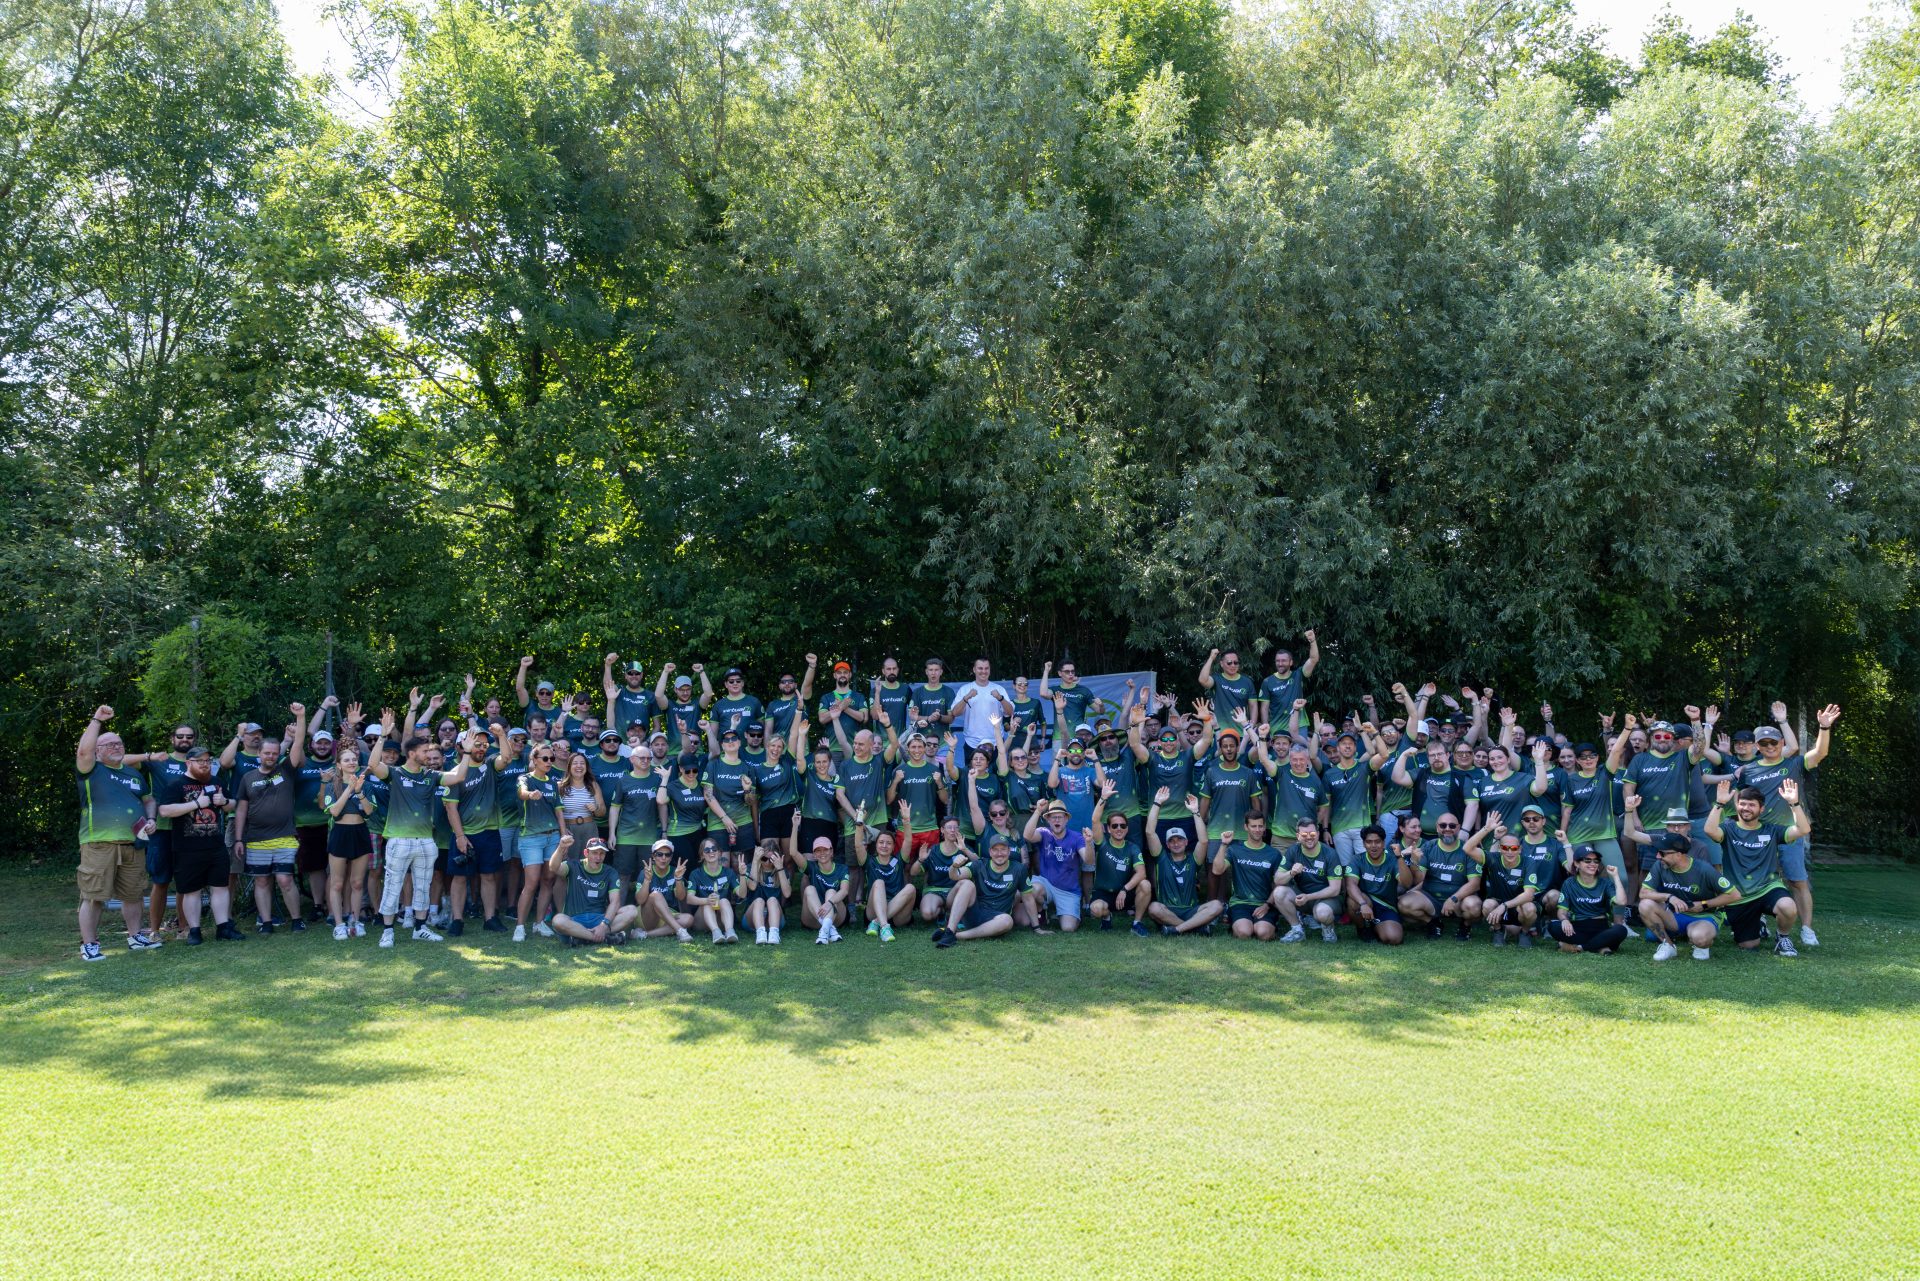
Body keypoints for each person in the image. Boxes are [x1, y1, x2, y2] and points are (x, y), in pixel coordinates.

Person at [1731, 703, 1837, 948]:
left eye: (1774, 743)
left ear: (1781, 744)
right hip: (1758, 836)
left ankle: (1807, 929)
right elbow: (1741, 801)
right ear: (1757, 746)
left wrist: (1824, 727)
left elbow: (1819, 753)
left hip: (1789, 833)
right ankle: (1760, 923)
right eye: (1764, 744)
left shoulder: (1794, 763)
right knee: (1755, 881)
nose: (1769, 747)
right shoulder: (1748, 770)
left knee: (1797, 881)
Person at [365, 708, 472, 947]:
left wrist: (465, 753)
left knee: (423, 885)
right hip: (399, 839)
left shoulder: (430, 776)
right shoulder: (395, 773)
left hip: (426, 840)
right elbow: (373, 765)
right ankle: (388, 931)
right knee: (393, 885)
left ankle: (420, 928)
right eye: (424, 751)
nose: (428, 754)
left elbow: (457, 777)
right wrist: (382, 736)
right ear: (412, 753)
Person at [74, 706, 160, 960]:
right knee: (93, 896)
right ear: (98, 752)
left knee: (133, 894)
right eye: (108, 745)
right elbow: (83, 750)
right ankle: (89, 944)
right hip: (99, 843)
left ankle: (135, 937)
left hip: (134, 843)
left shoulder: (133, 773)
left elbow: (148, 800)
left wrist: (151, 818)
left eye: (119, 743)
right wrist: (97, 720)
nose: (115, 747)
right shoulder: (91, 770)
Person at [1705, 778, 1808, 958]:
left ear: (1761, 809)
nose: (1746, 808)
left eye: (1751, 805)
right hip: (1739, 897)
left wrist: (1794, 804)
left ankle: (1782, 937)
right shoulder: (1728, 829)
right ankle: (1758, 924)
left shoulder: (1771, 830)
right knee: (1749, 946)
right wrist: (1720, 803)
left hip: (1768, 887)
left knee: (1788, 906)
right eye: (1742, 804)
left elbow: (1802, 829)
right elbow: (1709, 830)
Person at [234, 704, 310, 935]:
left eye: (275, 753)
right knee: (262, 881)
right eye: (267, 753)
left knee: (285, 879)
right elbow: (241, 811)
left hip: (285, 837)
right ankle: (266, 923)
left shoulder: (286, 770)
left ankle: (296, 920)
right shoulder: (248, 778)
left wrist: (300, 717)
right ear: (259, 754)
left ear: (279, 754)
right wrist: (239, 839)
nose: (270, 756)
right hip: (256, 838)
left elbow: (297, 744)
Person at [154, 746, 242, 945]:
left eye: (208, 761)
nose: (205, 765)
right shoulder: (176, 785)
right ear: (188, 763)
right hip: (187, 848)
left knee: (220, 887)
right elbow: (165, 811)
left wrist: (225, 801)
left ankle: (223, 928)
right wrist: (196, 804)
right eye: (200, 761)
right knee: (191, 890)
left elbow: (232, 805)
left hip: (215, 846)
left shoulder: (217, 782)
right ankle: (194, 931)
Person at [441, 724, 510, 935]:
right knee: (460, 877)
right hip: (465, 834)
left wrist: (501, 735)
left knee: (489, 875)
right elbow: (450, 808)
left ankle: (490, 918)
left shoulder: (489, 764)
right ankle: (457, 920)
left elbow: (505, 758)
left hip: (489, 831)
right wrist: (460, 836)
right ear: (463, 745)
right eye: (476, 744)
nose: (481, 748)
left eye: (484, 744)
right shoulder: (455, 773)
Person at [1637, 832, 1737, 961]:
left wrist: (1703, 904)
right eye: (1657, 852)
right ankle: (1668, 945)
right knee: (1645, 904)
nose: (1657, 856)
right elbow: (1643, 893)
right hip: (1674, 915)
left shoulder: (1704, 869)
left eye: (1662, 853)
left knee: (1700, 938)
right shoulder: (1660, 866)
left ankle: (1700, 944)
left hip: (1703, 917)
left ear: (1678, 854)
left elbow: (1734, 895)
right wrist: (1669, 897)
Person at [1143, 790, 1224, 936]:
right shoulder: (1162, 858)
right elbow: (1150, 832)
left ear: (1186, 842)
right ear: (1167, 845)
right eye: (1172, 841)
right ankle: (1194, 928)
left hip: (1191, 910)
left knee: (1217, 905)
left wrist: (1195, 812)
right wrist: (1157, 803)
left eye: (1179, 839)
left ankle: (1177, 929)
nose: (1176, 843)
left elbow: (1204, 841)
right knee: (1154, 908)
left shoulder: (1193, 860)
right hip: (1167, 910)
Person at [932, 832, 1033, 947]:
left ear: (1009, 851)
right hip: (975, 913)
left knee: (1008, 921)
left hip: (996, 919)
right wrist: (954, 866)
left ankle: (954, 936)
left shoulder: (1019, 869)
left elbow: (1028, 898)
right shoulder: (980, 865)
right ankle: (950, 930)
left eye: (1003, 849)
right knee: (966, 884)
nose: (999, 853)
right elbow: (955, 876)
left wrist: (1037, 927)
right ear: (990, 852)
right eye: (995, 850)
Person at [321, 740, 378, 939]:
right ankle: (339, 924)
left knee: (356, 883)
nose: (352, 762)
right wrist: (349, 788)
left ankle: (356, 921)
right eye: (346, 760)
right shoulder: (331, 785)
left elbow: (370, 812)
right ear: (339, 764)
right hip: (340, 834)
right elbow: (334, 811)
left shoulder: (367, 785)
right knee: (336, 883)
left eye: (354, 759)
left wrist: (360, 791)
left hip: (360, 833)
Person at [1398, 812, 1482, 940]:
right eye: (1443, 825)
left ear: (1458, 828)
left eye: (1452, 826)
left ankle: (1465, 926)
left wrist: (1453, 898)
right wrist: (1414, 862)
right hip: (1431, 898)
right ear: (1437, 828)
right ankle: (1433, 923)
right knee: (1404, 904)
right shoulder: (1429, 846)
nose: (1447, 829)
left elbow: (1475, 884)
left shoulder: (1468, 850)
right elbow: (1419, 879)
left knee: (1474, 906)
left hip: (1459, 899)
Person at [512, 736, 563, 941]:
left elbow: (559, 810)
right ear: (534, 759)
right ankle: (519, 926)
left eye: (551, 758)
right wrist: (529, 794)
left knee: (548, 880)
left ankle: (539, 923)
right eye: (545, 758)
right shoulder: (525, 778)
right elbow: (522, 793)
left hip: (553, 837)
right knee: (531, 883)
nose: (549, 761)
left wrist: (564, 833)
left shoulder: (552, 781)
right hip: (531, 837)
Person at [549, 834, 639, 946]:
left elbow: (615, 902)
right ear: (586, 853)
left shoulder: (610, 872)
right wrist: (561, 847)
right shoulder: (573, 866)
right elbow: (553, 867)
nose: (598, 857)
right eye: (595, 853)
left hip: (599, 919)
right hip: (575, 920)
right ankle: (602, 938)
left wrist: (603, 925)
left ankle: (582, 938)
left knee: (632, 910)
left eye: (602, 853)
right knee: (558, 920)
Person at [1210, 812, 1287, 941]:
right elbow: (1217, 870)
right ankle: (1238, 924)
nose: (1257, 830)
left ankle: (1269, 924)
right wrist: (1224, 844)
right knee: (1244, 933)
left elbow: (1278, 885)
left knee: (1263, 934)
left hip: (1264, 903)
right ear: (1246, 827)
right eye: (1253, 826)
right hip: (1240, 903)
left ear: (1264, 827)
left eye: (1260, 826)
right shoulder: (1235, 850)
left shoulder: (1274, 854)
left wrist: (1267, 905)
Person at [1465, 821, 1542, 947]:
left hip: (1519, 907)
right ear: (1500, 848)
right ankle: (1498, 931)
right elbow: (1467, 848)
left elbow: (1529, 895)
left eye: (1514, 848)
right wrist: (1486, 829)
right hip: (1498, 906)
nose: (1510, 852)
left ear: (1520, 849)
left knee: (1530, 907)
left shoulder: (1529, 862)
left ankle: (1524, 933)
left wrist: (1504, 906)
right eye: (1506, 848)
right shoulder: (1493, 858)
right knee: (1488, 904)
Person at [1087, 789, 1151, 934]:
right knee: (1096, 909)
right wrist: (1103, 798)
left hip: (1125, 893)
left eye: (1123, 825)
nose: (1119, 829)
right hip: (1103, 893)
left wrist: (1125, 889)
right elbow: (1095, 820)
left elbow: (1141, 873)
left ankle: (1137, 923)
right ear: (1108, 829)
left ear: (1127, 829)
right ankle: (1107, 917)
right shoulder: (1102, 842)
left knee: (1145, 884)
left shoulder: (1132, 848)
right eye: (1115, 826)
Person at [1277, 816, 1345, 943]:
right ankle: (1297, 930)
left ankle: (1328, 929)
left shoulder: (1330, 854)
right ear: (1298, 835)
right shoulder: (1293, 851)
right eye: (1304, 834)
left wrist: (1308, 897)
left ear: (1318, 834)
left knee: (1322, 913)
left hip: (1327, 899)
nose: (1309, 837)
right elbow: (1278, 879)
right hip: (1303, 898)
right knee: (1279, 892)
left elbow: (1335, 890)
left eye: (1312, 833)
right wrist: (1291, 872)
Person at [1024, 800, 1089, 932]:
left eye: (1060, 817)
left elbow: (1089, 860)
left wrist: (1089, 842)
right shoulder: (1043, 833)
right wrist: (1038, 811)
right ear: (1048, 819)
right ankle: (1042, 911)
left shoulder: (1076, 837)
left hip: (1068, 890)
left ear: (1066, 819)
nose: (1057, 820)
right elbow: (1027, 835)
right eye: (1053, 817)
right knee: (1033, 889)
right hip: (1046, 883)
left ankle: (1073, 913)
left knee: (1068, 928)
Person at [1551, 846, 1629, 954]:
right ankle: (1600, 946)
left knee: (1620, 930)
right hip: (1577, 928)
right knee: (1553, 926)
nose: (1593, 864)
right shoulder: (1569, 883)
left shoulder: (1605, 883)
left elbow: (1621, 902)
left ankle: (1580, 947)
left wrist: (1615, 876)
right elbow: (1562, 911)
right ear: (1577, 863)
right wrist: (1564, 920)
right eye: (1587, 860)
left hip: (1601, 927)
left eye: (1596, 861)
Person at [855, 808, 916, 941]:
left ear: (894, 847)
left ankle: (877, 923)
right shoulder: (870, 861)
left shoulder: (898, 860)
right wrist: (859, 823)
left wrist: (906, 821)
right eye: (881, 842)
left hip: (898, 913)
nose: (884, 845)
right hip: (873, 910)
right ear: (876, 845)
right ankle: (884, 926)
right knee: (879, 882)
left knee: (911, 888)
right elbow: (859, 846)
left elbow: (908, 842)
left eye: (888, 843)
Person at [1345, 825, 1407, 945]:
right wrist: (1363, 904)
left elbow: (1406, 883)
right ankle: (1363, 928)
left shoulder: (1392, 859)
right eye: (1369, 842)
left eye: (1377, 842)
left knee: (1393, 938)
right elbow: (1351, 884)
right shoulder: (1357, 859)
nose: (1373, 846)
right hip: (1365, 902)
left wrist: (1400, 857)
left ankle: (1377, 926)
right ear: (1363, 844)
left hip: (1386, 906)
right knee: (1353, 901)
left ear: (1383, 843)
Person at [702, 726, 757, 856]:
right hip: (718, 824)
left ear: (739, 742)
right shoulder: (713, 765)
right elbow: (708, 795)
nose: (730, 741)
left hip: (743, 823)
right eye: (726, 740)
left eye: (733, 738)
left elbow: (751, 802)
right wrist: (725, 818)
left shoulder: (747, 768)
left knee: (741, 865)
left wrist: (748, 790)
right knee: (722, 864)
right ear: (722, 745)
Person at [1254, 631, 1319, 729]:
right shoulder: (1267, 681)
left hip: (1299, 726)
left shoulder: (1298, 674)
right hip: (1277, 727)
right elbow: (1264, 708)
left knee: (1300, 745)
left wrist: (1313, 641)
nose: (1280, 664)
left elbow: (1313, 659)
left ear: (1291, 662)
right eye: (1277, 661)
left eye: (1283, 661)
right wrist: (1265, 727)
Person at [915, 818, 971, 927]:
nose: (953, 830)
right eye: (949, 827)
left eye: (956, 827)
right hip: (934, 890)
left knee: (965, 885)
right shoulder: (934, 849)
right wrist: (920, 859)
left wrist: (965, 850)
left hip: (954, 892)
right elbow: (913, 872)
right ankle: (942, 912)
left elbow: (979, 864)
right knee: (927, 914)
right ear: (942, 830)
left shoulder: (963, 848)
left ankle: (953, 913)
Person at [684, 837, 742, 944]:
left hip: (721, 919)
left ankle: (730, 932)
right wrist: (707, 900)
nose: (711, 852)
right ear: (702, 855)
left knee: (724, 900)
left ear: (720, 853)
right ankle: (716, 933)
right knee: (707, 904)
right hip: (702, 920)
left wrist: (742, 875)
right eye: (707, 850)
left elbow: (742, 894)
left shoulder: (728, 873)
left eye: (714, 849)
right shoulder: (696, 873)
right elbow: (689, 899)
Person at [949, 658, 1013, 751]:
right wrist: (966, 698)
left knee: (998, 766)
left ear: (990, 670)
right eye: (980, 668)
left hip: (996, 741)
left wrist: (1000, 698)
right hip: (972, 742)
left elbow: (1010, 712)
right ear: (974, 670)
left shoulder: (999, 689)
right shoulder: (965, 689)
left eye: (986, 668)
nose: (983, 671)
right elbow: (955, 713)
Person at [639, 839, 695, 942]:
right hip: (648, 917)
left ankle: (644, 934)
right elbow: (640, 901)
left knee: (689, 919)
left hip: (667, 916)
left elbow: (681, 897)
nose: (663, 858)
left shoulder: (675, 871)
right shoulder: (645, 872)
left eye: (667, 854)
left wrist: (678, 879)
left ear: (671, 857)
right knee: (656, 895)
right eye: (659, 854)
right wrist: (647, 880)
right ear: (653, 856)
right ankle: (679, 930)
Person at [663, 751, 711, 869]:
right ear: (680, 768)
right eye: (687, 770)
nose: (691, 774)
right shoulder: (673, 786)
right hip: (679, 833)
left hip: (699, 832)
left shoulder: (701, 785)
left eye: (695, 770)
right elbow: (660, 800)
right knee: (687, 867)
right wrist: (665, 779)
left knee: (700, 865)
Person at [800, 836, 851, 944]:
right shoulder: (812, 867)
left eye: (825, 849)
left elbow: (844, 891)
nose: (822, 853)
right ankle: (829, 928)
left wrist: (829, 903)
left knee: (831, 892)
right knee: (809, 889)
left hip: (837, 917)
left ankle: (824, 934)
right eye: (818, 850)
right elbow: (794, 853)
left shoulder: (842, 868)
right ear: (814, 854)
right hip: (813, 917)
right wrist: (795, 827)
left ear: (831, 851)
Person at [744, 838, 791, 944]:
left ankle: (774, 933)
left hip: (775, 920)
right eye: (764, 858)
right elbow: (752, 886)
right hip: (752, 918)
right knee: (759, 900)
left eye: (772, 859)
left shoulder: (782, 871)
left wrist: (779, 868)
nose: (768, 863)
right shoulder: (750, 867)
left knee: (772, 900)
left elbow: (787, 894)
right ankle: (760, 933)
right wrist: (755, 861)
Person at [1197, 648, 1256, 726]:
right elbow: (1202, 680)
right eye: (1229, 663)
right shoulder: (1216, 679)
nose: (1233, 665)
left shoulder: (1247, 681)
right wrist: (1211, 658)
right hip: (1220, 731)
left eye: (1236, 662)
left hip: (1242, 731)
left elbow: (1253, 706)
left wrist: (1252, 725)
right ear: (1221, 664)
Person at [602, 653, 652, 736]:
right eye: (630, 673)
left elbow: (657, 726)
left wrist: (646, 742)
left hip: (642, 744)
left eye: (637, 673)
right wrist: (608, 665)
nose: (634, 676)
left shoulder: (650, 696)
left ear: (642, 675)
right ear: (625, 675)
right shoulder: (620, 691)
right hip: (619, 744)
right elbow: (608, 686)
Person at [710, 667, 762, 738]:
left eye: (738, 681)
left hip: (751, 747)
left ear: (742, 683)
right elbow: (712, 735)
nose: (735, 683)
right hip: (725, 747)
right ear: (726, 684)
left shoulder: (754, 701)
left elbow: (763, 729)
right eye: (731, 681)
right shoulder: (718, 705)